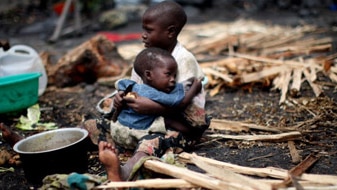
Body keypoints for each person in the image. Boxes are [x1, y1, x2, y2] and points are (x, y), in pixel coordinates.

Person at [97, 0, 211, 182]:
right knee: (95, 125)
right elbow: (133, 89)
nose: (143, 35)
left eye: (148, 30)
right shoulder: (147, 57)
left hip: (177, 126)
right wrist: (122, 99)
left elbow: (184, 107)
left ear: (171, 32)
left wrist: (152, 108)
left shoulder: (183, 60)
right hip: (142, 121)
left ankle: (124, 173)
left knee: (151, 143)